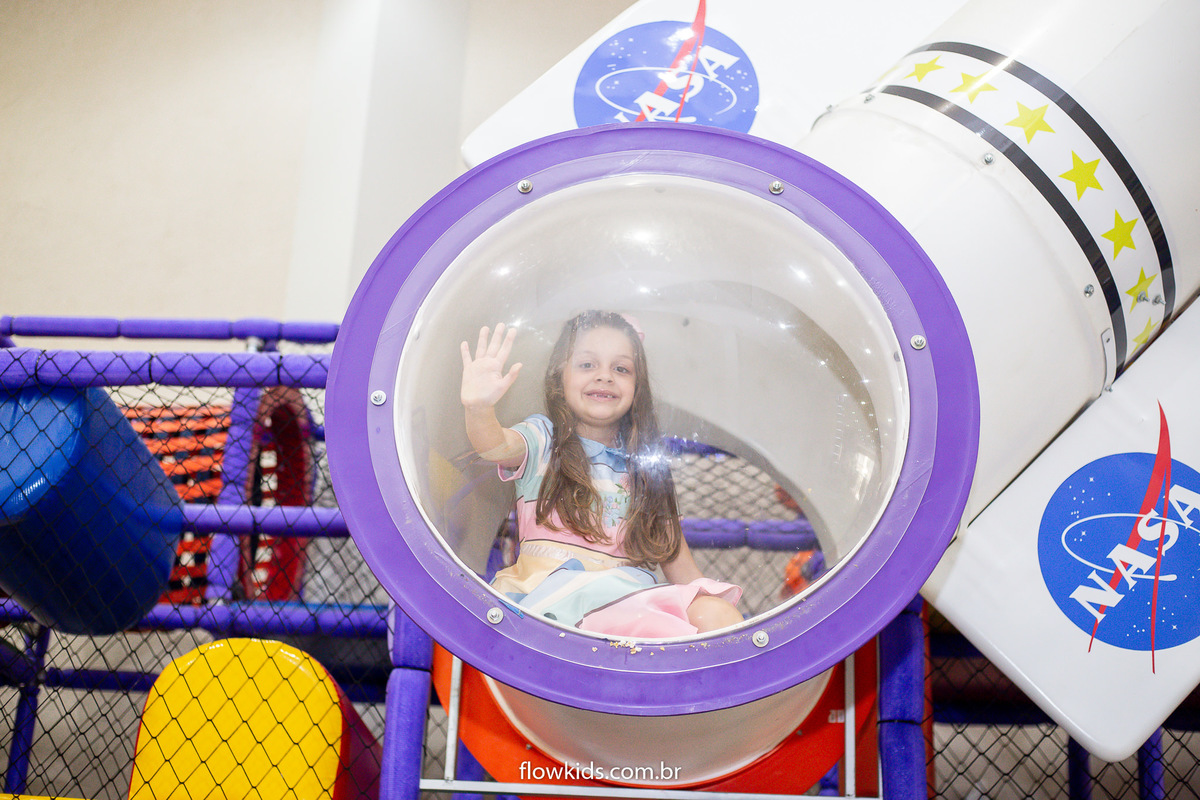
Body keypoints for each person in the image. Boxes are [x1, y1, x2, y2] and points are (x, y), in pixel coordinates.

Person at [460, 310, 743, 637]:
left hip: (627, 607)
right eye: (587, 364)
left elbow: (683, 571)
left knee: (716, 613)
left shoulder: (645, 472)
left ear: (637, 387)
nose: (604, 376)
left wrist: (714, 612)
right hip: (549, 609)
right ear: (560, 376)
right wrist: (479, 409)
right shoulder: (544, 439)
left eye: (621, 369)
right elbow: (495, 446)